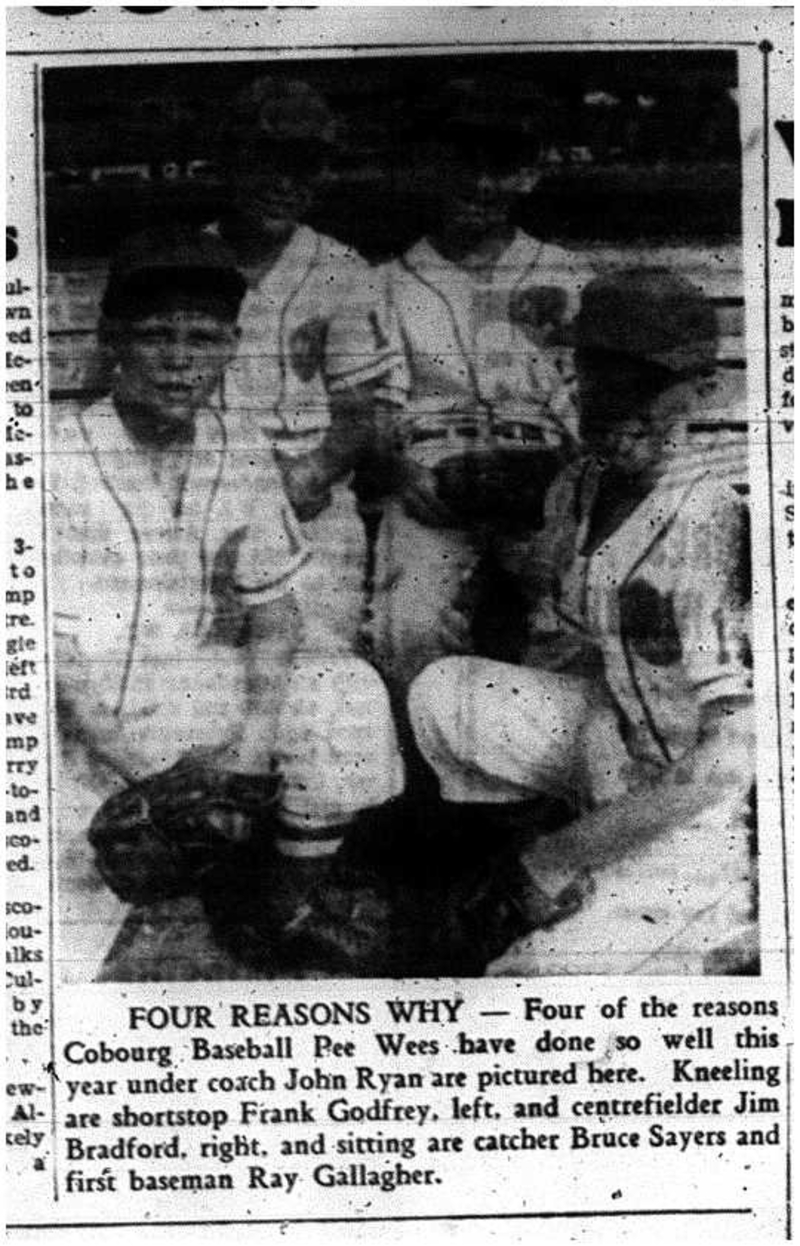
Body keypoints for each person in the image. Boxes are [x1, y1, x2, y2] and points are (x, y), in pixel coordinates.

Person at [51, 226, 404, 981]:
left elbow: (277, 619)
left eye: (203, 338)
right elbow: (55, 666)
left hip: (194, 699)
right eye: (156, 335)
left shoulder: (240, 446)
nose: (180, 359)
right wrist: (153, 778)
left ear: (231, 346)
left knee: (343, 690)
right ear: (114, 338)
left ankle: (280, 902)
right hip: (75, 732)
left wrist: (247, 754)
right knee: (59, 961)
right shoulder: (55, 455)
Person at [407, 269, 755, 975]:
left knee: (531, 982)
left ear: (703, 389)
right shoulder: (582, 485)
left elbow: (731, 760)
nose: (624, 402)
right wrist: (601, 772)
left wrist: (556, 857)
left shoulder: (716, 513)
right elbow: (597, 653)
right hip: (626, 748)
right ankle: (578, 849)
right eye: (606, 376)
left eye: (650, 384)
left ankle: (725, 914)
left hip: (707, 809)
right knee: (444, 695)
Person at [369, 79, 595, 699]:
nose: (478, 184)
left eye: (499, 166)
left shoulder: (560, 271)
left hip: (545, 479)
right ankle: (429, 780)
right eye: (459, 163)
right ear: (429, 171)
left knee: (577, 621)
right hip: (433, 481)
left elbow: (588, 398)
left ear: (527, 175)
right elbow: (375, 409)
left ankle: (548, 781)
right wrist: (399, 471)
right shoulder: (388, 282)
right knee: (406, 625)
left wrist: (570, 494)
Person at [214, 75, 405, 652]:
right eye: (266, 160)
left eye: (303, 165)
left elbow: (358, 416)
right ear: (230, 160)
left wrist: (313, 471)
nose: (282, 182)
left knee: (320, 667)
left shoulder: (341, 270)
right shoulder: (188, 260)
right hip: (209, 490)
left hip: (308, 495)